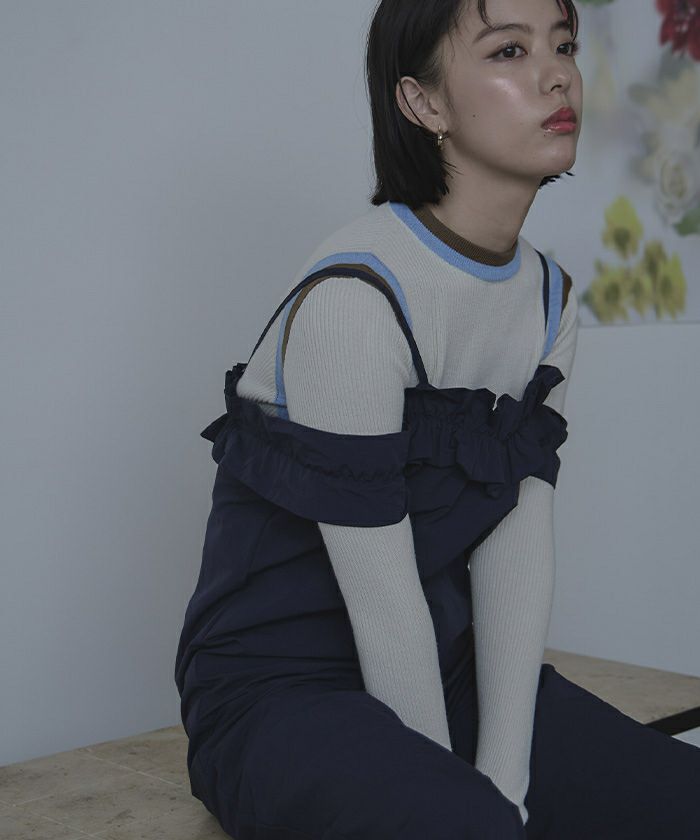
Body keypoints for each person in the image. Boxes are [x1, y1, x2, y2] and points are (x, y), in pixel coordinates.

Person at [174, 0, 700, 837]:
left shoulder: (550, 298)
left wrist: (508, 779)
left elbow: (517, 540)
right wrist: (474, 806)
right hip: (280, 691)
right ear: (423, 102)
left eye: (564, 44)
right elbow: (382, 607)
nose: (557, 75)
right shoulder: (357, 298)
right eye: (509, 51)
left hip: (452, 669)